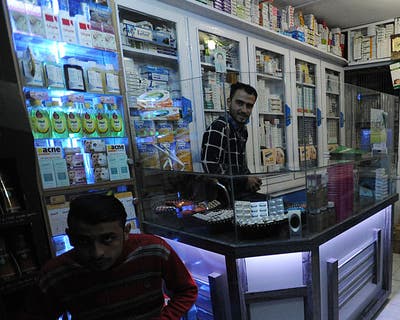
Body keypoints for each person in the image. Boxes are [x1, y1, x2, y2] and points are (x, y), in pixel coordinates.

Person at [31, 194, 197, 319]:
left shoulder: (153, 249)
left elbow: (186, 290)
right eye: (84, 241)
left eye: (108, 238)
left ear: (126, 232)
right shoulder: (55, 274)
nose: (97, 253)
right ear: (70, 237)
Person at [201, 82, 262, 197]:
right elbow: (211, 168)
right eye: (239, 103)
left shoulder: (242, 130)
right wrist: (245, 180)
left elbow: (240, 165)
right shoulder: (219, 128)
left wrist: (251, 178)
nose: (244, 110)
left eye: (249, 106)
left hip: (238, 194)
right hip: (221, 197)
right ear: (229, 102)